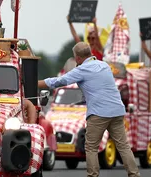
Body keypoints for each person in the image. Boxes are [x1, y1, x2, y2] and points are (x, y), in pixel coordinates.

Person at [37, 42, 139, 177]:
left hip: (98, 113)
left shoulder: (82, 70)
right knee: (123, 146)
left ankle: (93, 175)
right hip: (117, 110)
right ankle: (134, 174)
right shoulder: (105, 66)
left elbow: (59, 81)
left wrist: (35, 83)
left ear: (78, 58)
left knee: (91, 147)